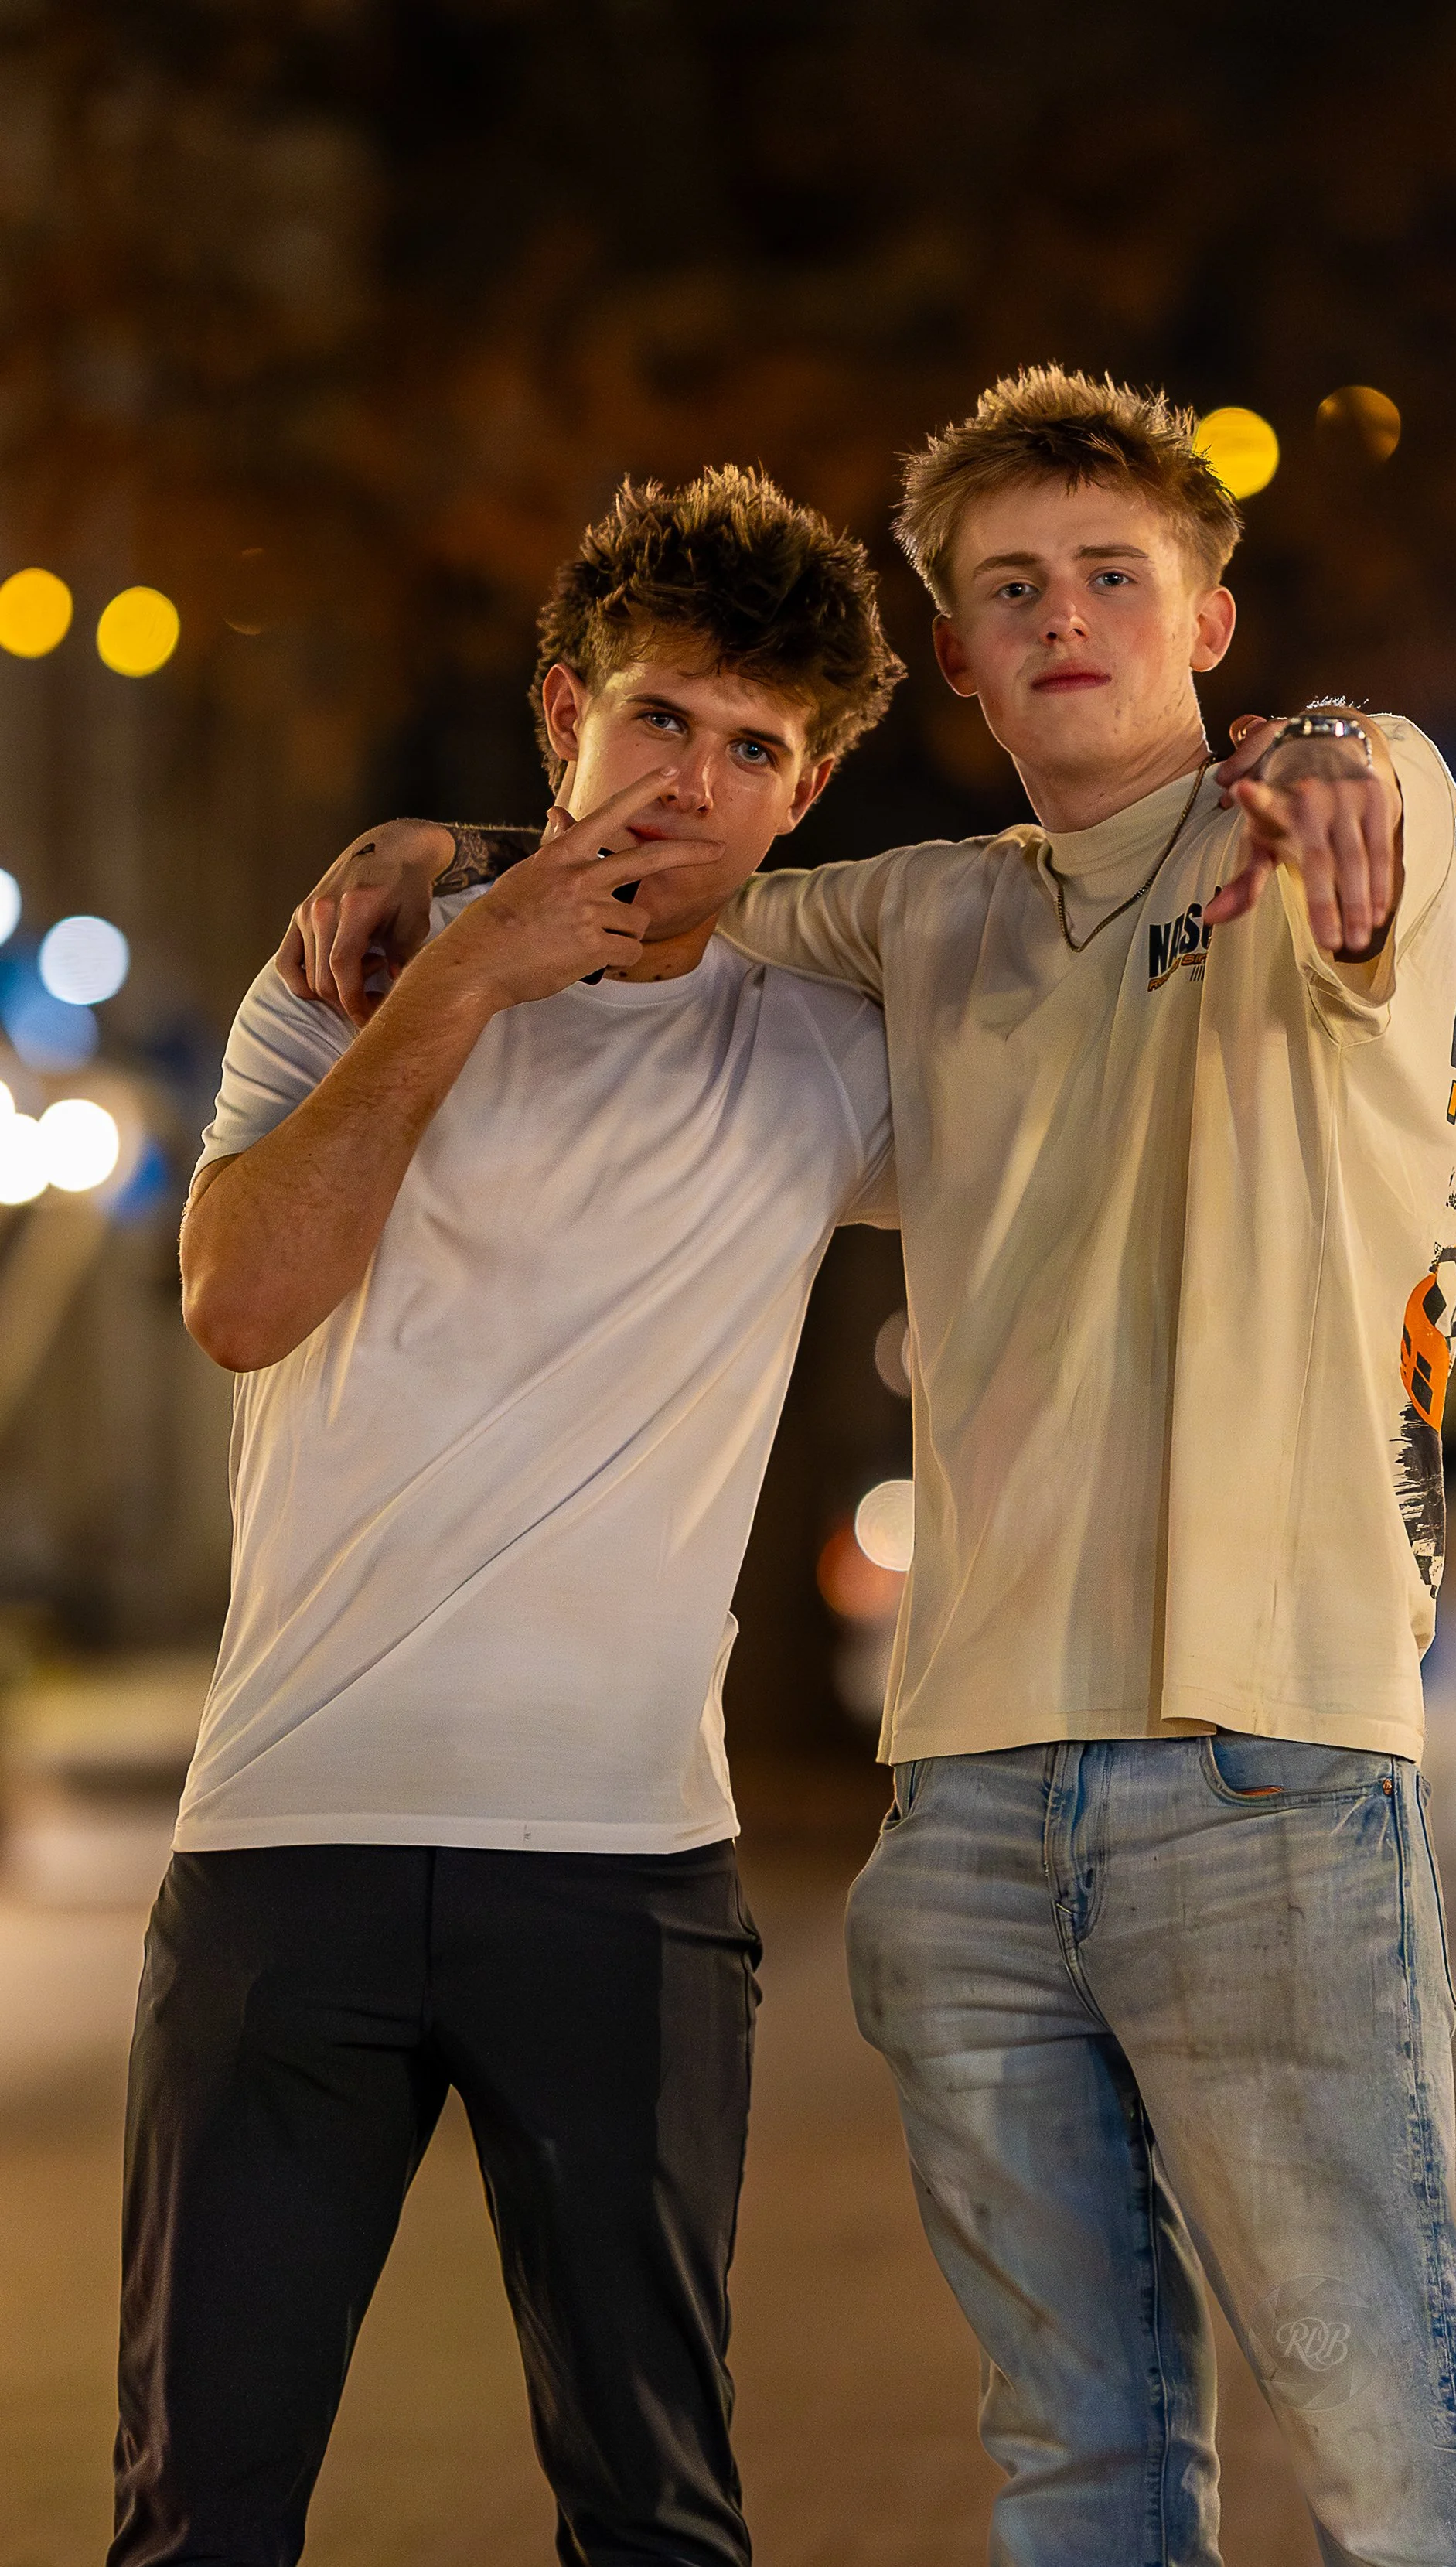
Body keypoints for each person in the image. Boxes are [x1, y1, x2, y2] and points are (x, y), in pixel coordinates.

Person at [288, 370, 1456, 2567]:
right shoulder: (924, 919)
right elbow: (674, 891)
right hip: (965, 1814)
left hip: (1259, 1773)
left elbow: (1387, 813)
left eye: (1114, 576)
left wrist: (1346, 748)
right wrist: (446, 853)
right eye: (1010, 588)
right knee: (1074, 2463)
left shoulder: (1321, 823)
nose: (1064, 618)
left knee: (1389, 2445)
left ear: (1209, 620)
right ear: (954, 655)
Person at [113, 466, 903, 2567]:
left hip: (624, 1872)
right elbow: (240, 1300)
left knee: (657, 2517)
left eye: (756, 750)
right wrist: (462, 970)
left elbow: (1060, 980)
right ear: (565, 712)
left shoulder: (823, 1054)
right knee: (199, 2517)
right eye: (661, 718)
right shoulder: (351, 973)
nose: (695, 784)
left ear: (807, 791)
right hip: (287, 1847)